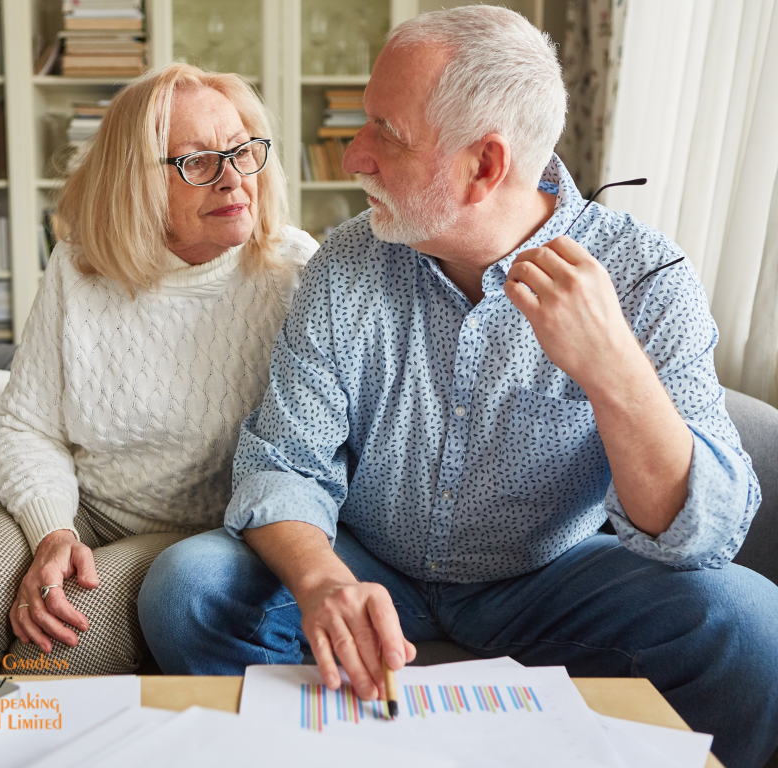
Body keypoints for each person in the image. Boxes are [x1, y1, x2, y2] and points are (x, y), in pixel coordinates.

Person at [137, 8, 778, 768]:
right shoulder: (344, 267)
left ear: (484, 165)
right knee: (187, 590)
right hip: (370, 561)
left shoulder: (645, 276)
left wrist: (613, 371)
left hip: (555, 576)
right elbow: (282, 462)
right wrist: (322, 581)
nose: (354, 158)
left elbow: (706, 534)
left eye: (386, 133)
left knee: (751, 627)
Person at [0, 63, 317, 675]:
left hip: (199, 536)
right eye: (196, 161)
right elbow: (27, 427)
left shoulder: (296, 273)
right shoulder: (79, 265)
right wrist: (52, 533)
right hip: (82, 506)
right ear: (135, 182)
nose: (232, 179)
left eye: (242, 151)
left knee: (48, 653)